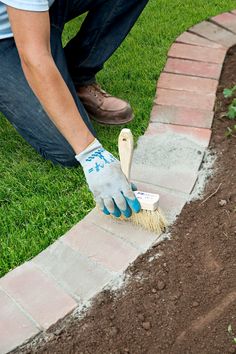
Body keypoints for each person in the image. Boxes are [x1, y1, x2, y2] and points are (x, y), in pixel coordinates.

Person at [0, 0, 148, 218]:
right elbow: (34, 57)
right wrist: (90, 153)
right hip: (5, 39)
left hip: (44, 12)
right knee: (69, 149)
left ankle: (78, 76)